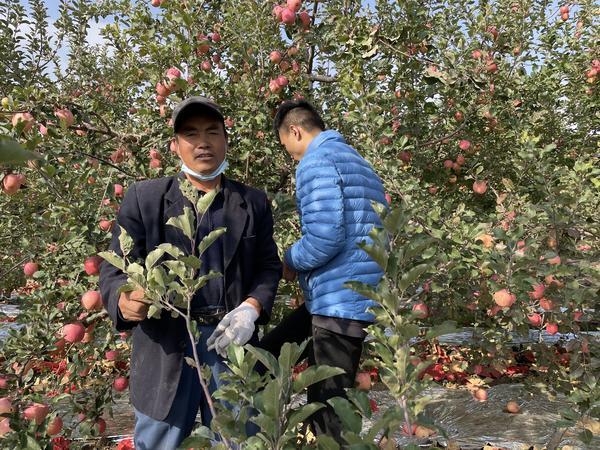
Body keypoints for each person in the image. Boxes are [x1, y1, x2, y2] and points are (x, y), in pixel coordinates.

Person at [99, 96, 282, 450]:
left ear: (226, 140)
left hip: (231, 344)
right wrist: (123, 300)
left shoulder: (253, 202)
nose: (203, 142)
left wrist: (252, 307)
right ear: (175, 145)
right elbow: (114, 266)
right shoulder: (144, 198)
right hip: (166, 347)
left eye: (213, 132)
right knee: (158, 443)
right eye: (191, 134)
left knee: (238, 440)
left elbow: (268, 266)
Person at [259, 99, 386, 441]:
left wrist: (291, 259)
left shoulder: (316, 162)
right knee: (267, 355)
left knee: (329, 412)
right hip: (351, 295)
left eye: (290, 150)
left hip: (338, 303)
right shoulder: (358, 162)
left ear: (295, 132)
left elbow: (326, 235)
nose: (293, 158)